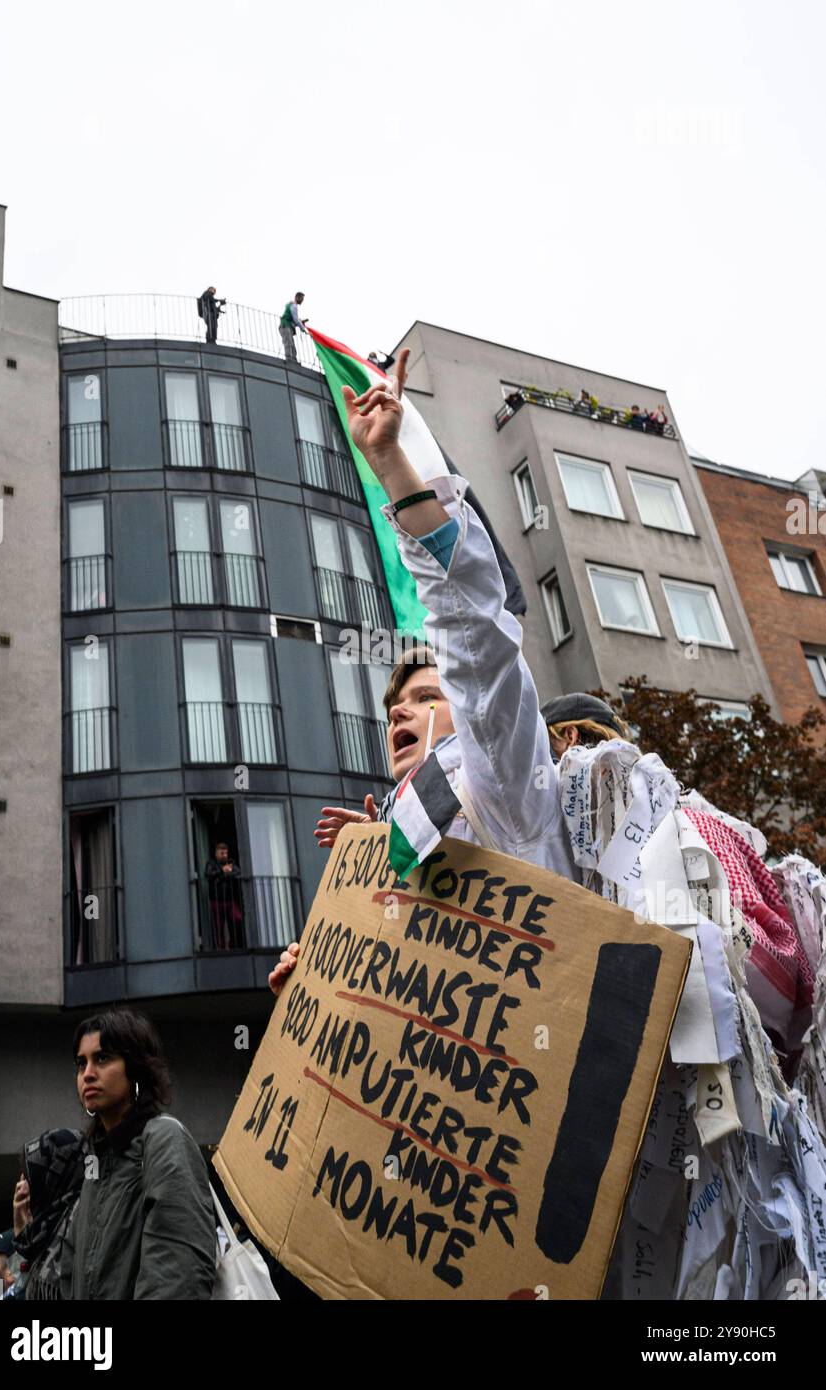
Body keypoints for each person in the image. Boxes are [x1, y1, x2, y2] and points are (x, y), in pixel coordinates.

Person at [269, 347, 578, 994]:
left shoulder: (504, 787)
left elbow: (473, 630)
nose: (400, 713)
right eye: (392, 709)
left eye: (426, 696)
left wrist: (388, 461)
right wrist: (319, 975)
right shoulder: (403, 847)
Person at [60, 1009, 216, 1300]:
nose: (88, 1074)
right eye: (81, 1064)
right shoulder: (95, 1166)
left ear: (135, 1067)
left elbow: (178, 1278)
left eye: (103, 1058)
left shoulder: (163, 1138)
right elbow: (70, 1274)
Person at [12, 1128, 86, 1301]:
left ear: (55, 1176)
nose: (21, 1187)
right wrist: (22, 1232)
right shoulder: (46, 1232)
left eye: (30, 1178)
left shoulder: (80, 1224)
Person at [205, 842, 244, 950]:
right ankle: (221, 948)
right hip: (216, 900)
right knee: (219, 926)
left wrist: (226, 873)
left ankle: (234, 944)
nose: (224, 855)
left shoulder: (230, 863)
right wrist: (223, 872)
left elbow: (237, 872)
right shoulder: (212, 864)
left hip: (229, 899)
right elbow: (209, 875)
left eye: (225, 853)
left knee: (237, 919)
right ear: (216, 853)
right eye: (222, 853)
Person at [279, 292, 308, 362]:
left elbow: (294, 319)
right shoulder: (293, 306)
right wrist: (303, 329)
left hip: (287, 327)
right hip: (285, 326)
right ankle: (289, 360)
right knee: (288, 344)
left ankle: (293, 360)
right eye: (301, 298)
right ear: (297, 297)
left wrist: (300, 322)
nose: (302, 301)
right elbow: (296, 319)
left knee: (292, 345)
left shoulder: (291, 305)